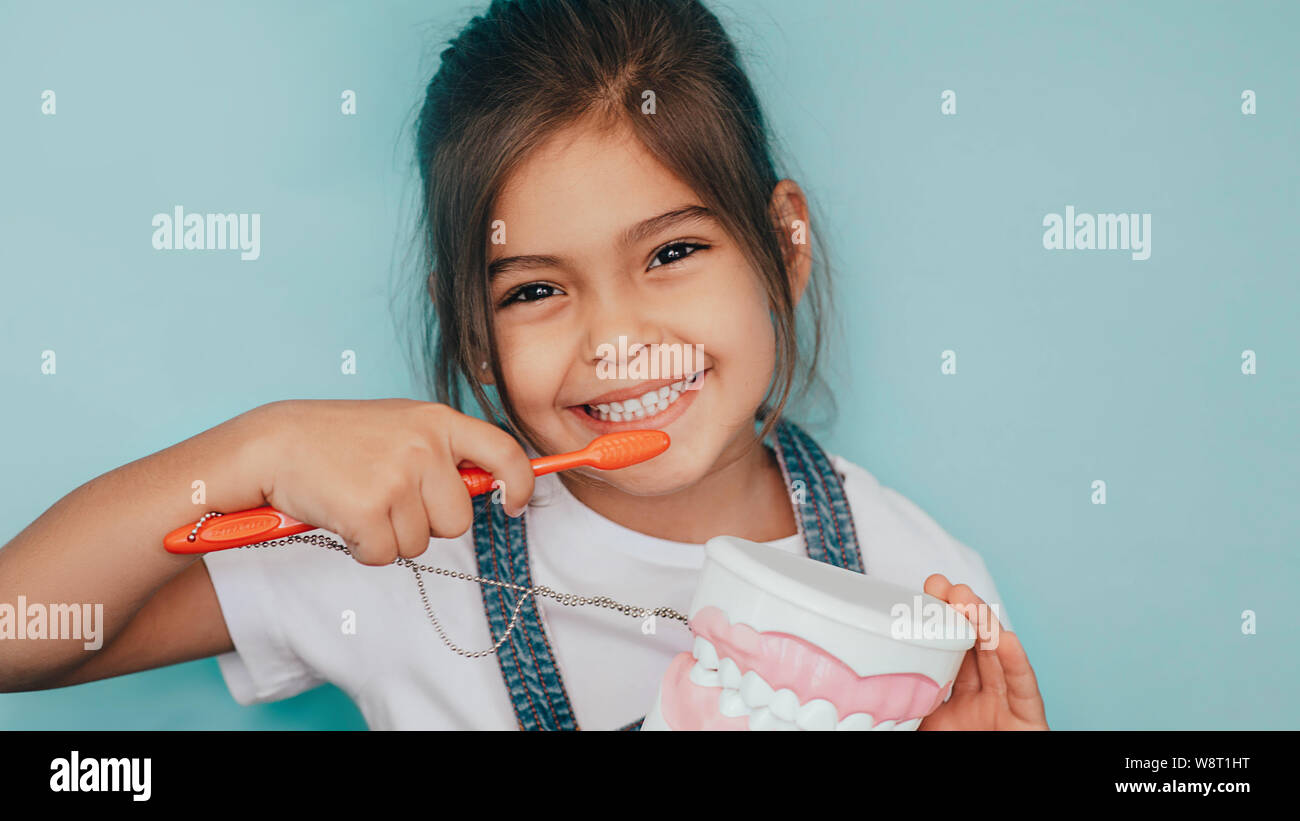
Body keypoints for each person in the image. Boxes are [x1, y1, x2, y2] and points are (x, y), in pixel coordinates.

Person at [0, 0, 1047, 731]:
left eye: (672, 253)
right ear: (469, 335)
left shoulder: (915, 586)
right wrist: (260, 445)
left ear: (783, 243)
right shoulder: (401, 553)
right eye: (535, 290)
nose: (615, 340)